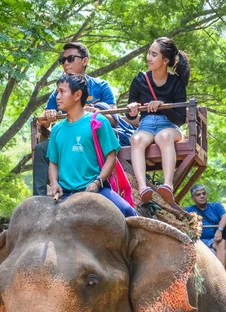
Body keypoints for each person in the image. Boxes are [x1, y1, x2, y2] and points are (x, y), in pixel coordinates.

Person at [33, 42, 117, 196]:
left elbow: (113, 118)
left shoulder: (101, 86)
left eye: (70, 58)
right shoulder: (59, 91)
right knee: (41, 149)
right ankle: (39, 198)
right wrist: (49, 116)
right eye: (62, 60)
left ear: (85, 61)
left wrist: (95, 114)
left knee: (125, 210)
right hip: (68, 135)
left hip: (94, 137)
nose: (66, 63)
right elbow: (43, 120)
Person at [47, 73, 137, 217]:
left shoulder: (98, 121)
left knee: (127, 211)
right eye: (57, 91)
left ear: (77, 95)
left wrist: (97, 182)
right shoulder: (56, 129)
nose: (57, 96)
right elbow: (53, 163)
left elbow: (111, 157)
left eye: (62, 91)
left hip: (96, 190)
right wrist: (54, 183)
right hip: (65, 193)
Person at [126, 37, 190, 207]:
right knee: (136, 139)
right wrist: (132, 110)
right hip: (146, 125)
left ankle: (167, 184)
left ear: (165, 60)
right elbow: (132, 117)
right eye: (149, 53)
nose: (149, 58)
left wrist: (163, 107)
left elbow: (180, 118)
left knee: (163, 137)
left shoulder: (176, 82)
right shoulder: (140, 80)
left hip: (169, 126)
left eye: (154, 55)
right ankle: (142, 188)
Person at [186, 184, 226, 268]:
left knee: (222, 242)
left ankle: (221, 273)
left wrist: (219, 230)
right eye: (198, 195)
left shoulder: (216, 206)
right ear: (193, 198)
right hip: (196, 240)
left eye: (203, 193)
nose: (202, 196)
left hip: (213, 240)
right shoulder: (188, 210)